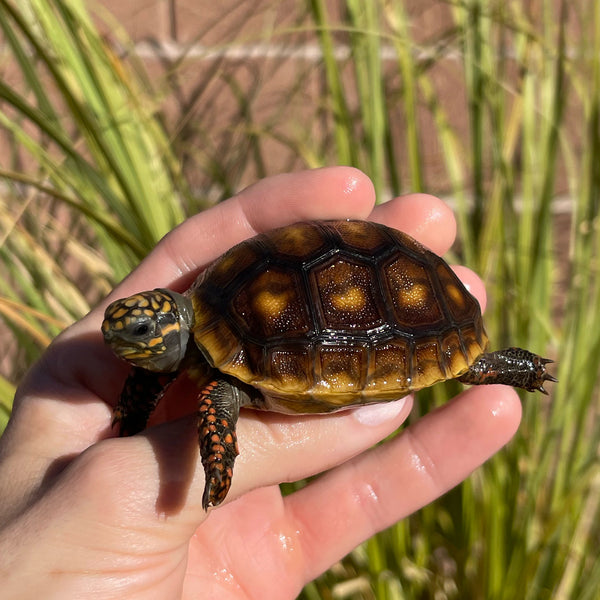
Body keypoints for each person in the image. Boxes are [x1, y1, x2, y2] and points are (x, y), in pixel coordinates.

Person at [0, 168, 521, 599]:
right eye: (122, 331)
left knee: (218, 395)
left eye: (137, 334)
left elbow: (214, 400)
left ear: (167, 328)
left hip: (386, 310)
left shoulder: (215, 358)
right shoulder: (206, 305)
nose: (121, 343)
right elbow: (149, 379)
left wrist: (217, 458)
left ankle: (502, 365)